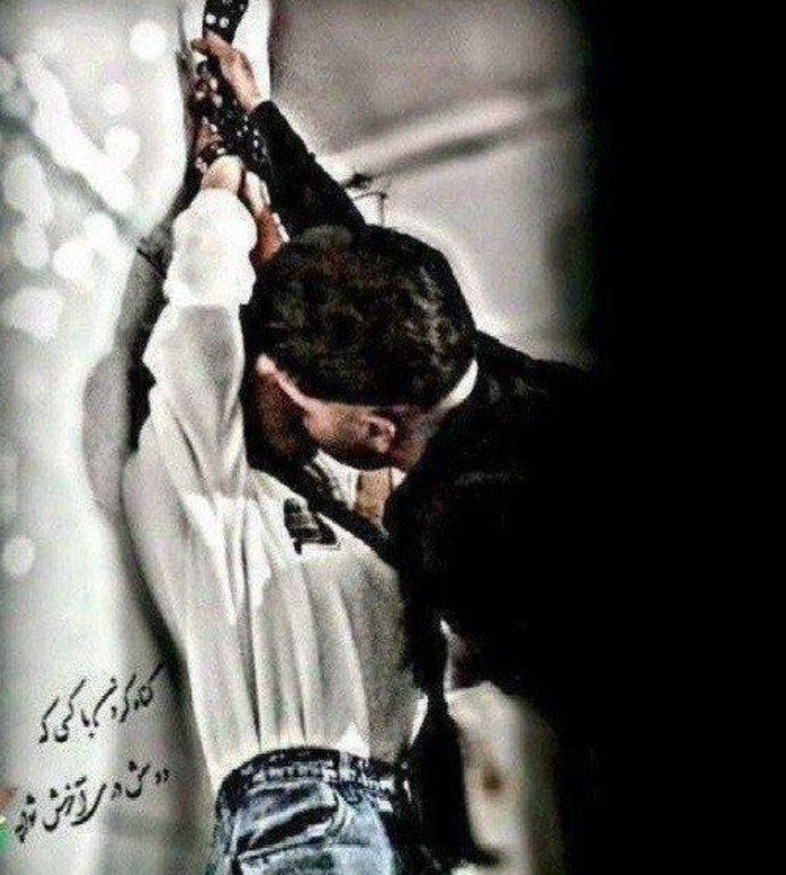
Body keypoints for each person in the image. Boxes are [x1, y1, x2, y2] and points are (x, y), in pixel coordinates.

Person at [120, 100, 465, 875]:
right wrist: (226, 177)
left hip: (381, 826)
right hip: (311, 819)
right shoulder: (213, 481)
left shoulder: (342, 516)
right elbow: (202, 311)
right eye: (284, 363)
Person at [244, 219, 617, 874]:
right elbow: (377, 279)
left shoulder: (455, 525)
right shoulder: (486, 368)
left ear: (377, 430)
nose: (290, 410)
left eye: (302, 407)